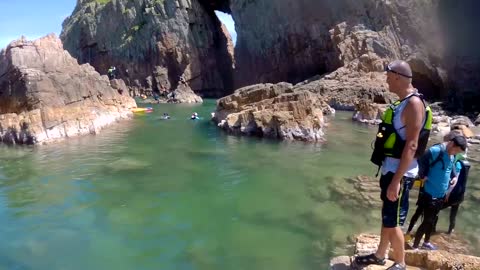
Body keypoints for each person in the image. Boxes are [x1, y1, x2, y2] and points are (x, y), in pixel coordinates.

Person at [356, 60, 432, 270]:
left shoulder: (414, 104)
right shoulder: (403, 102)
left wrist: (396, 181)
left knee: (394, 221)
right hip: (391, 170)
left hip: (401, 174)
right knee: (388, 216)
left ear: (398, 77)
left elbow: (412, 145)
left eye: (389, 77)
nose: (386, 81)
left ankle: (400, 263)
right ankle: (380, 255)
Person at [405, 130, 466, 238]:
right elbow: (420, 161)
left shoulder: (452, 156)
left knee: (430, 217)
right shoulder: (436, 151)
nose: (456, 154)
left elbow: (450, 167)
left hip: (439, 193)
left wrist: (454, 177)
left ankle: (424, 239)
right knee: (420, 212)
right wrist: (423, 176)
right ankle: (409, 233)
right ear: (451, 143)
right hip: (427, 189)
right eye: (456, 151)